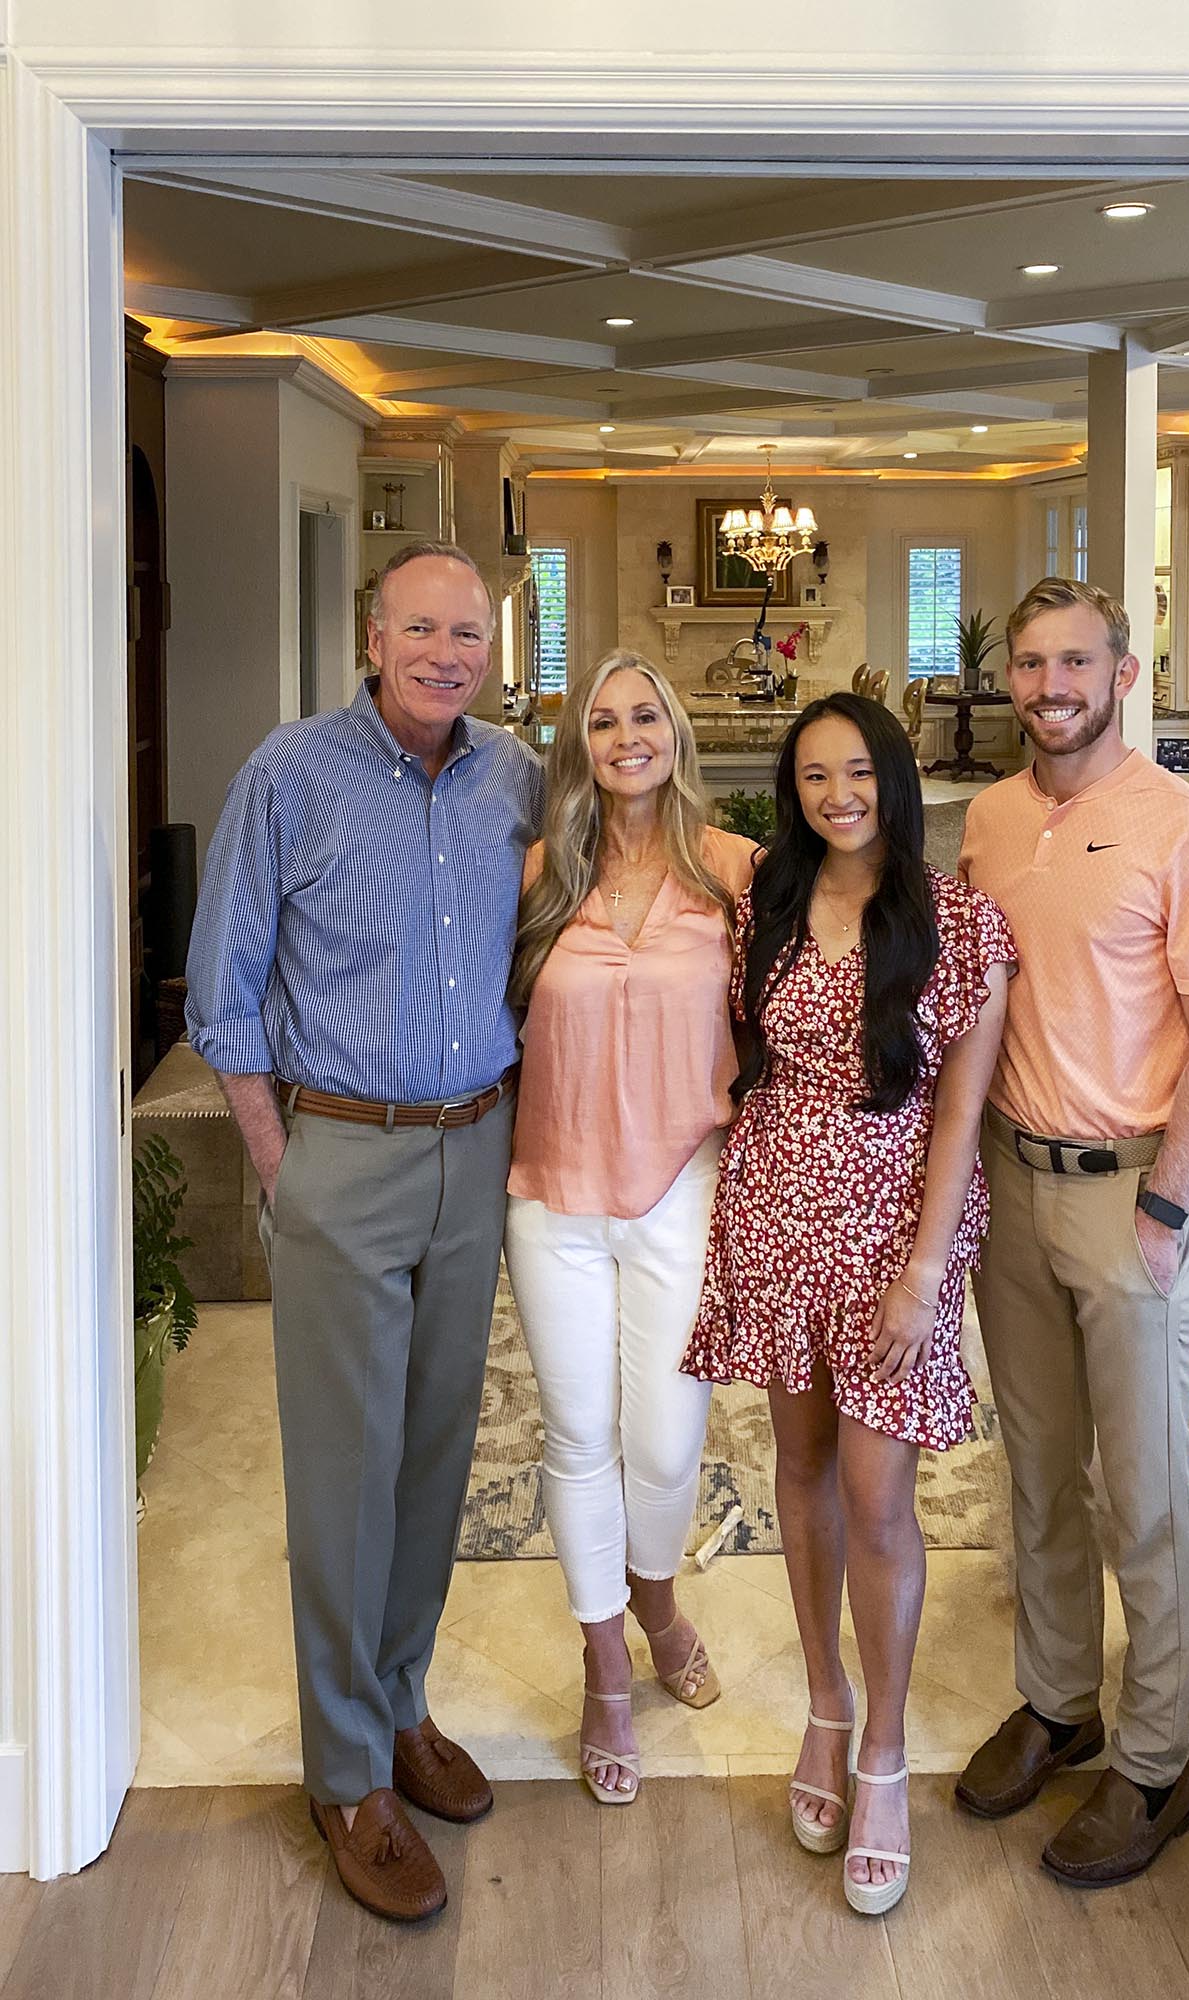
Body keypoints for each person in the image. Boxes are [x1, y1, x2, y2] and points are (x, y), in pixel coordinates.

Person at [185, 542, 542, 1923]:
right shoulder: (292, 773)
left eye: (469, 632)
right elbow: (226, 986)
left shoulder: (513, 777)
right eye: (422, 628)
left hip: (477, 1144)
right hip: (342, 1148)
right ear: (372, 635)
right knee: (346, 1470)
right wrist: (283, 1167)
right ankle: (342, 1772)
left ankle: (397, 1707)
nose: (448, 652)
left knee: (438, 1454)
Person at [955, 575, 1189, 1886]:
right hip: (1010, 1186)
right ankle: (1060, 1702)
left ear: (1121, 675)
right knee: (1037, 1469)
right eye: (1030, 664)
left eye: (1074, 662)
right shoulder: (987, 817)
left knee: (1142, 1493)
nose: (1048, 686)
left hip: (1128, 1190)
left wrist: (1167, 1206)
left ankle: (1156, 1764)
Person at [683, 692, 1014, 1916]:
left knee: (880, 1495)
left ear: (895, 777)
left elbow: (962, 1110)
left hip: (892, 1235)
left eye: (859, 771)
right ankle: (824, 1706)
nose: (838, 794)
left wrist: (928, 1269)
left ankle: (885, 1745)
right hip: (777, 1212)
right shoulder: (760, 905)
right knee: (802, 1465)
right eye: (815, 775)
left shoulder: (960, 921)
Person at [503, 650, 757, 1807]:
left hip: (681, 1188)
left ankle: (658, 1596)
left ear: (676, 730)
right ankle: (607, 1659)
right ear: (580, 745)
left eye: (643, 713)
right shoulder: (541, 872)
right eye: (601, 720)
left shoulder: (736, 872)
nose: (624, 735)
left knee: (663, 1440)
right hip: (550, 1194)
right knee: (576, 1431)